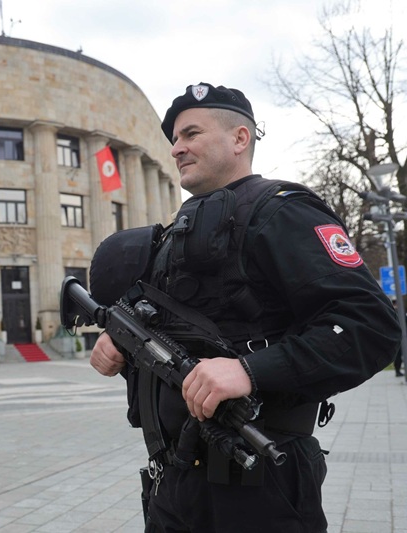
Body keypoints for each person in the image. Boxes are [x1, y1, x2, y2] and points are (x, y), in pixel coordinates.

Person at [89, 82, 400, 532]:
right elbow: (172, 328)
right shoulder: (179, 233)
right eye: (174, 139)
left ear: (240, 139)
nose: (177, 149)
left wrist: (251, 370)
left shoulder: (282, 213)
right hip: (174, 480)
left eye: (191, 134)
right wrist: (118, 343)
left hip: (257, 482)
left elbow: (370, 328)